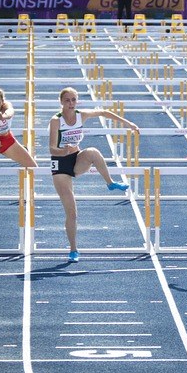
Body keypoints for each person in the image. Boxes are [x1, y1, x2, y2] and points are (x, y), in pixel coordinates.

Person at [49, 87, 139, 262]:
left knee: (93, 152)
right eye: (67, 100)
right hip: (60, 164)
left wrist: (128, 123)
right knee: (72, 213)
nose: (71, 103)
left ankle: (110, 183)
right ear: (61, 102)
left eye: (73, 100)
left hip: (76, 158)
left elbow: (104, 113)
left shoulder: (81, 115)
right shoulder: (56, 120)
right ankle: (73, 250)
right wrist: (63, 151)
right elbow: (51, 148)